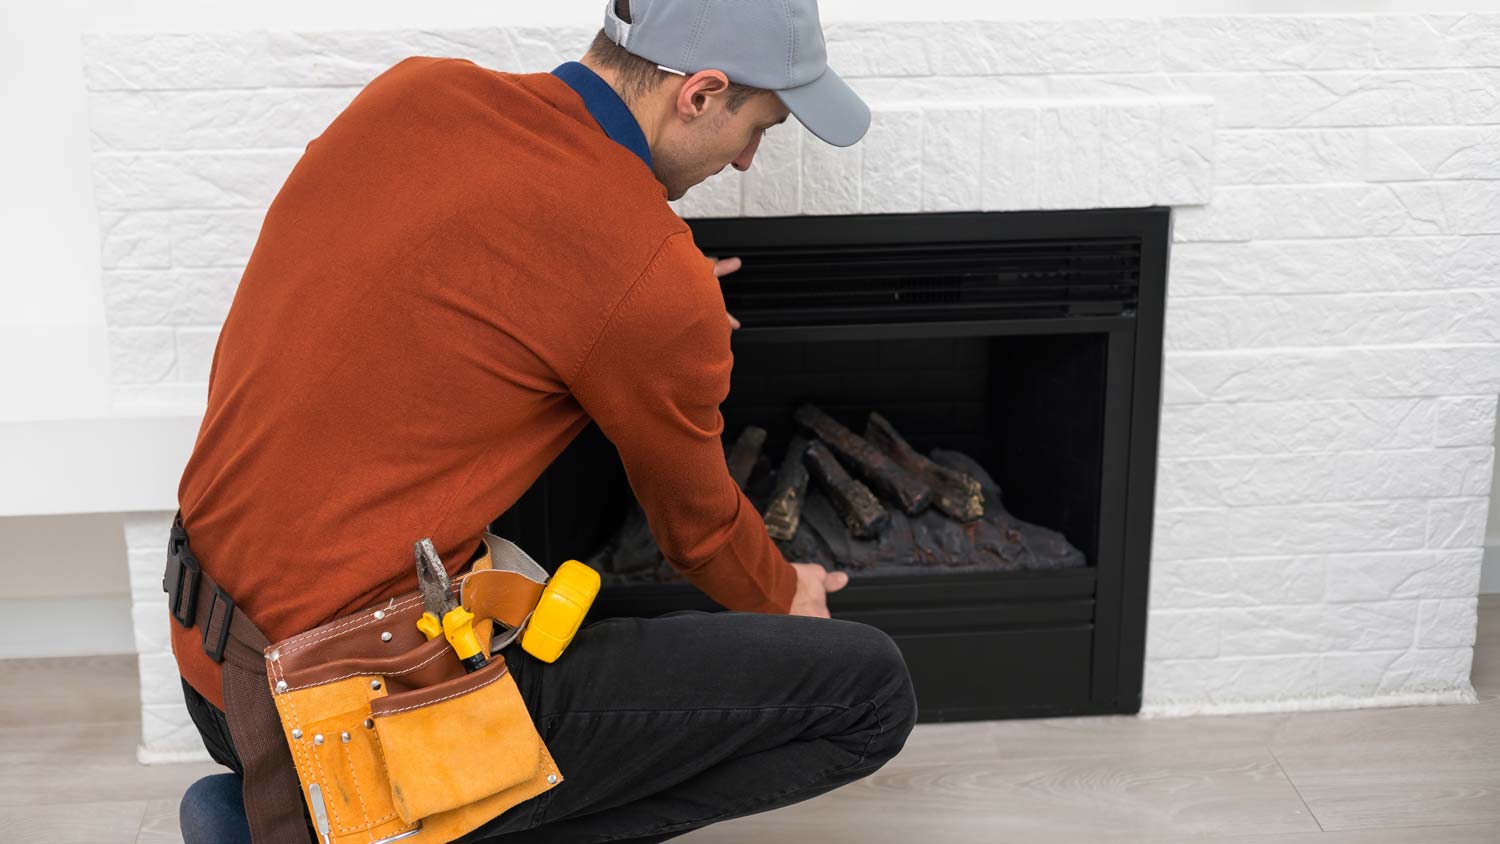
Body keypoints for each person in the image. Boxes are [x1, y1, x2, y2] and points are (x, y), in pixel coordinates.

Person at [172, 0, 919, 841]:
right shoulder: (643, 272)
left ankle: (273, 813)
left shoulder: (414, 93)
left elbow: (426, 280)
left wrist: (639, 289)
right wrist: (789, 594)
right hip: (336, 710)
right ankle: (330, 826)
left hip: (213, 665)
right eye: (761, 126)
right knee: (871, 693)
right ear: (701, 94)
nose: (748, 160)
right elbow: (698, 533)